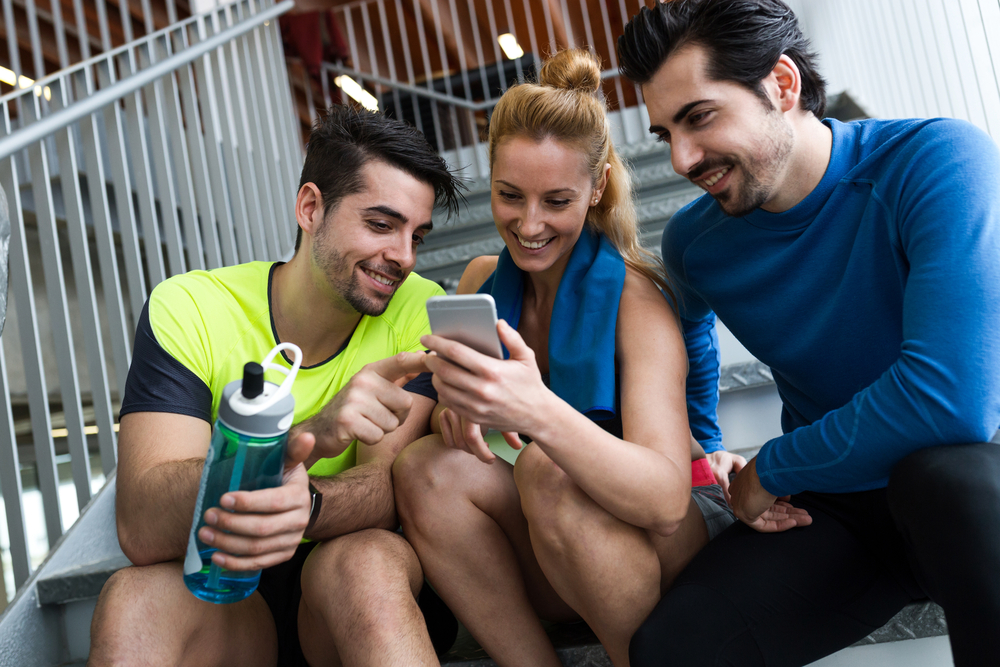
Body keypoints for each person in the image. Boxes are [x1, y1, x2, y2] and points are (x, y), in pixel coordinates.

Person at [392, 48, 808, 667]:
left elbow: (667, 500)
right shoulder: (482, 280)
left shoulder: (636, 301)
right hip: (557, 545)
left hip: (664, 535)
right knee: (426, 467)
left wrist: (534, 413)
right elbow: (462, 431)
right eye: (510, 196)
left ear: (597, 188)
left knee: (548, 469)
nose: (529, 224)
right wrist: (450, 411)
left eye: (556, 201)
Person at [616, 1, 1000, 666]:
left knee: (948, 477)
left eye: (699, 117)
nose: (681, 158)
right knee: (671, 646)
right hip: (837, 509)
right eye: (663, 134)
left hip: (971, 486)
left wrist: (773, 463)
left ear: (782, 84)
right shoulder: (694, 242)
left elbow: (949, 403)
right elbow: (691, 342)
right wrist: (708, 448)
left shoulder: (937, 160)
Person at [87, 105, 464, 667]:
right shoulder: (190, 307)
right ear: (310, 207)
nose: (404, 257)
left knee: (364, 564)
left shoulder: (421, 308)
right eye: (381, 225)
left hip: (346, 579)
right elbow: (142, 523)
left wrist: (304, 503)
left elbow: (390, 490)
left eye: (418, 235)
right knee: (132, 598)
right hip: (226, 592)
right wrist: (293, 443)